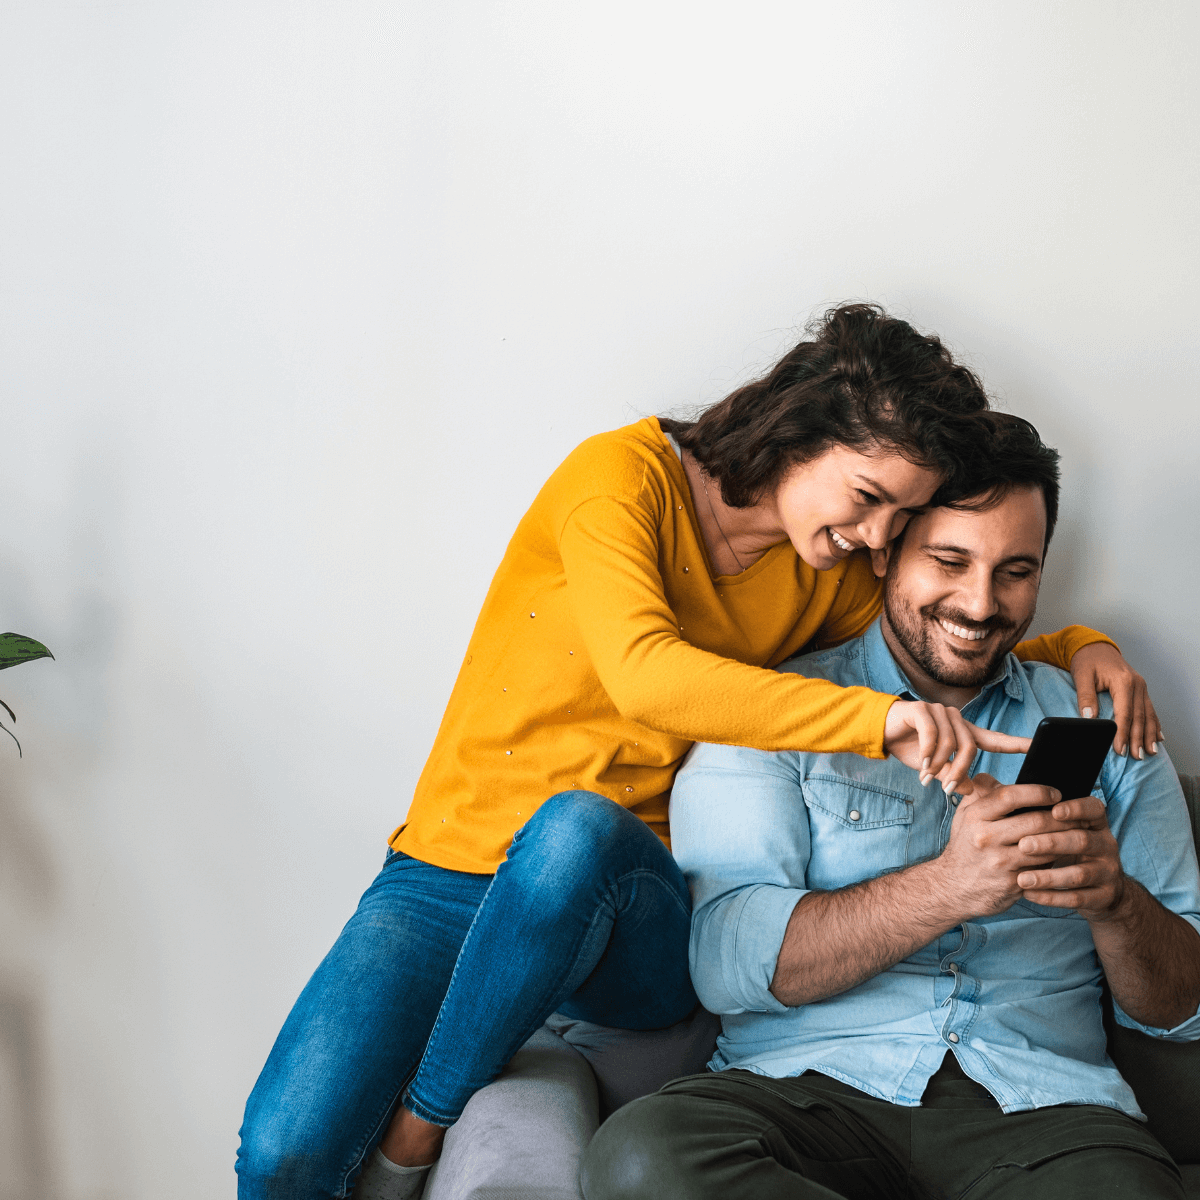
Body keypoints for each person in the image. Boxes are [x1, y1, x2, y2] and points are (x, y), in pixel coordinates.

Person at [235, 306, 1158, 1200]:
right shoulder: (621, 480)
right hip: (453, 866)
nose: (876, 538)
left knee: (577, 838)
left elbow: (951, 628)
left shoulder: (823, 569)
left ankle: (418, 1130)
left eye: (898, 516)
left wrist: (1081, 644)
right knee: (280, 1154)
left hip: (625, 898)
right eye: (871, 499)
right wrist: (876, 723)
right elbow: (647, 674)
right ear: (802, 431)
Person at [582, 413, 1198, 1200]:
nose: (980, 604)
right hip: (804, 1097)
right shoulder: (777, 713)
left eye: (1015, 571)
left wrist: (1115, 902)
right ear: (887, 552)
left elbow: (1182, 1010)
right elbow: (724, 964)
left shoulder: (1107, 727)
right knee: (641, 1157)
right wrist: (950, 886)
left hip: (1048, 1117)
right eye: (949, 560)